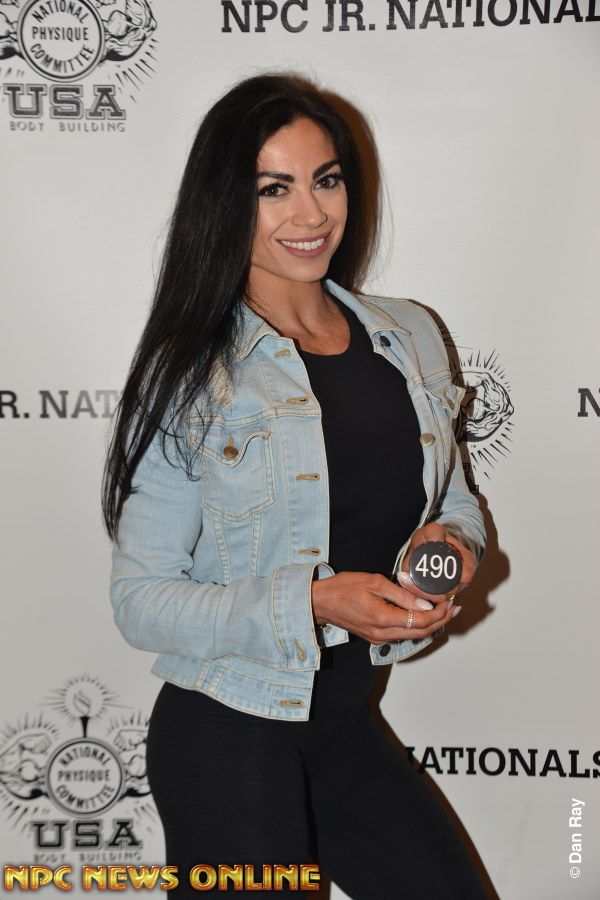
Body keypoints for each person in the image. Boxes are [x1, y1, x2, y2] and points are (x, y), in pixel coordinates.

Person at [102, 72, 488, 898]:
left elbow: (455, 500)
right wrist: (311, 602)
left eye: (326, 179)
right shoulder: (191, 371)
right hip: (227, 736)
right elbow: (141, 601)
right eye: (272, 189)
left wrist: (449, 545)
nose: (310, 214)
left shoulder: (409, 334)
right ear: (224, 204)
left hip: (345, 722)